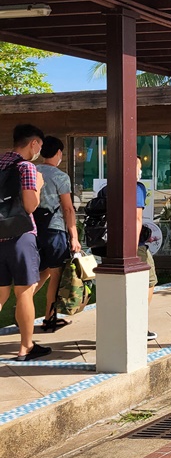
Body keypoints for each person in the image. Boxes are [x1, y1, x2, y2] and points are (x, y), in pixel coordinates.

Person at [0, 124, 49, 361]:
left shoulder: (0, 162)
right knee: (25, 292)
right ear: (34, 143)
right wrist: (38, 186)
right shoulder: (27, 167)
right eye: (40, 145)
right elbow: (30, 206)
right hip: (20, 237)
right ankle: (25, 347)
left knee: (0, 294)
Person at [35, 137, 81, 333]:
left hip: (34, 230)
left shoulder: (32, 171)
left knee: (41, 272)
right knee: (56, 275)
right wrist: (74, 237)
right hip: (55, 231)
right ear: (59, 153)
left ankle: (23, 308)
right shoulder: (60, 177)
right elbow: (68, 209)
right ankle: (49, 318)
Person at [135, 157, 158, 342]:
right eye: (139, 167)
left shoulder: (109, 188)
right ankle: (138, 324)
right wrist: (133, 246)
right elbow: (137, 219)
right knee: (149, 281)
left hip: (110, 243)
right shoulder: (137, 188)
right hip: (136, 247)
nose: (140, 171)